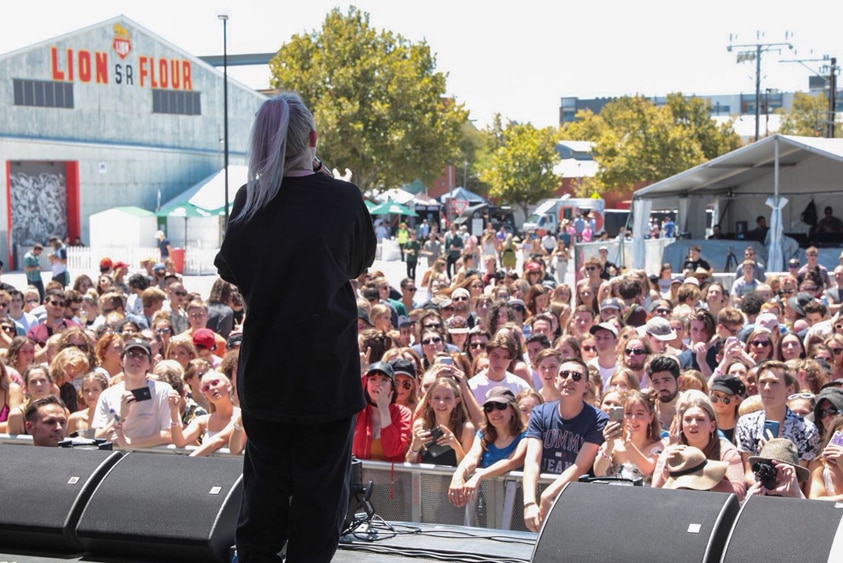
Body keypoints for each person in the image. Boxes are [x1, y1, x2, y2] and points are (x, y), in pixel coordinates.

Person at [214, 93, 377, 563]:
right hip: (325, 374)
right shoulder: (342, 198)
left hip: (266, 373)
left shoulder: (251, 199)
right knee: (319, 504)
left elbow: (233, 270)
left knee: (262, 500)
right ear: (311, 137)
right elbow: (358, 263)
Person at [522, 358, 607, 532]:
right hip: (540, 494)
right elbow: (532, 461)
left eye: (576, 376)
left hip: (577, 499)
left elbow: (581, 465)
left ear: (586, 386)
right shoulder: (540, 412)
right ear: (556, 380)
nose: (569, 379)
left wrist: (549, 494)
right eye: (564, 374)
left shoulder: (598, 419)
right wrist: (530, 502)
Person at [653, 391, 746, 500]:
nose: (693, 424)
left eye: (700, 419)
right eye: (687, 419)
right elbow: (654, 493)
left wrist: (706, 475)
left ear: (712, 426)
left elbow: (739, 493)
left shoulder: (726, 451)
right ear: (681, 425)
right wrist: (665, 474)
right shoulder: (671, 453)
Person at [448, 387, 527, 507]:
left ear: (512, 409)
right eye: (489, 408)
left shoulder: (526, 434)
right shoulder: (483, 434)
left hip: (515, 505)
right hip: (485, 504)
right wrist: (458, 474)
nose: (495, 412)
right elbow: (472, 457)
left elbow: (513, 461)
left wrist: (479, 476)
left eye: (500, 406)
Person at [92, 338, 174, 448]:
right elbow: (99, 437)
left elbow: (169, 434)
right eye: (131, 354)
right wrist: (120, 416)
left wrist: (129, 443)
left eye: (142, 355)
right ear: (121, 361)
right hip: (117, 459)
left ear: (150, 364)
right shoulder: (107, 395)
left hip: (152, 458)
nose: (136, 359)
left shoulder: (163, 391)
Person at [746, 438, 810, 498]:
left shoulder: (797, 499)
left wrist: (797, 496)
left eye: (775, 468)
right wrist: (748, 502)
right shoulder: (756, 496)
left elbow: (810, 509)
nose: (769, 475)